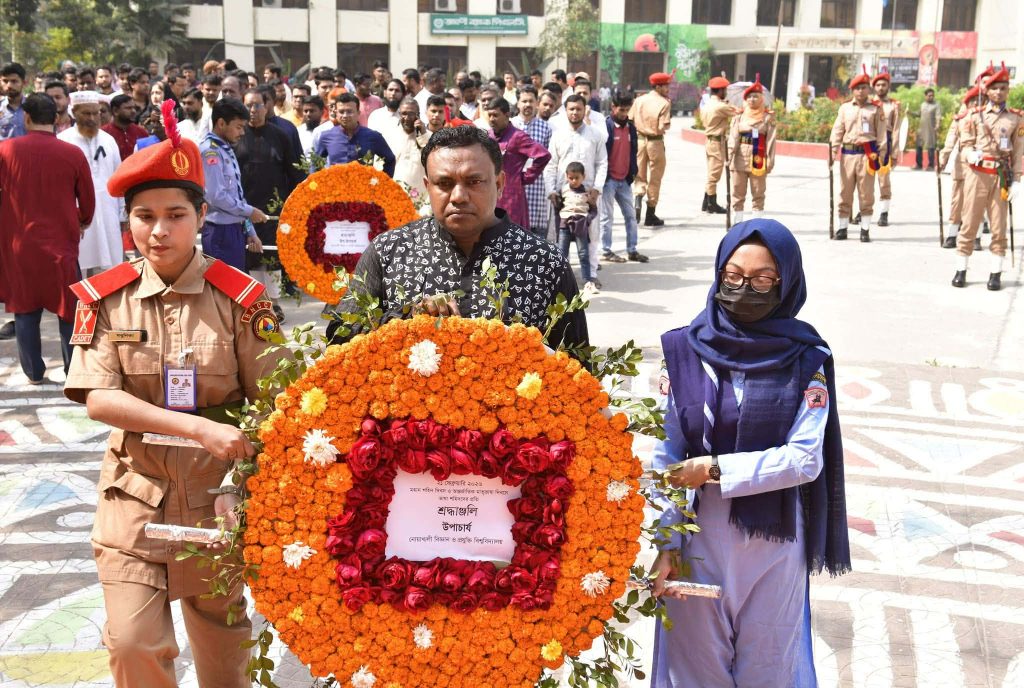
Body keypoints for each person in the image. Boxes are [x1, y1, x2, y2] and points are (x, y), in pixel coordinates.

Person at [63, 105, 277, 687]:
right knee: (132, 645)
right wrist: (198, 427)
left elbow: (277, 402)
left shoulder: (243, 300)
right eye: (144, 216)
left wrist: (245, 482)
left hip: (217, 500)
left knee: (224, 654)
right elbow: (99, 399)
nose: (159, 231)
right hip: (134, 494)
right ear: (127, 221)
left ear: (203, 216)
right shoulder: (105, 300)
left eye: (176, 215)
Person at [650, 218, 850, 688]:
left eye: (763, 280)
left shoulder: (807, 358)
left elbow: (804, 458)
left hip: (774, 546)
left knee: (771, 671)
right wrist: (665, 543)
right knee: (694, 669)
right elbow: (665, 453)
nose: (746, 289)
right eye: (734, 277)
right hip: (698, 540)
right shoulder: (683, 350)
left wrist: (715, 467)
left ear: (786, 282)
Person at [327, 125, 588, 354]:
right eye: (444, 183)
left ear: (499, 183)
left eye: (474, 181)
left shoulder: (543, 262)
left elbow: (577, 369)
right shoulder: (389, 251)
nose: (459, 196)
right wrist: (406, 317)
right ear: (428, 186)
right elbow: (339, 337)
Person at [0, 93, 95, 383]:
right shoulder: (72, 154)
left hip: (18, 245)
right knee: (69, 310)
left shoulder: (5, 151)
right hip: (61, 245)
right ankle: (72, 370)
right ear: (56, 118)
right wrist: (81, 222)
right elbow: (88, 201)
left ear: (26, 118)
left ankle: (33, 372)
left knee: (25, 309)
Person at [953, 63, 1022, 292]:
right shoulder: (974, 116)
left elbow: (1020, 152)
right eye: (995, 88)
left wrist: (1018, 179)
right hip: (978, 175)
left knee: (999, 226)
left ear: (1007, 91)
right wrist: (969, 153)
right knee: (970, 222)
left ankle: (995, 273)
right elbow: (964, 145)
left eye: (1003, 88)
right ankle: (961, 269)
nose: (999, 93)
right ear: (988, 91)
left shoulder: (1015, 119)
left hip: (1001, 176)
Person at [238, 88, 300, 321]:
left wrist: (295, 204)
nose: (252, 111)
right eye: (248, 105)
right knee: (251, 255)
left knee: (271, 256)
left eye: (257, 105)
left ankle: (274, 303)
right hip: (244, 204)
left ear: (267, 106)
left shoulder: (280, 134)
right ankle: (256, 302)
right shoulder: (238, 134)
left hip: (274, 206)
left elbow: (294, 171)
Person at [544, 95, 608, 292]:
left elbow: (602, 163)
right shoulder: (559, 135)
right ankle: (563, 278)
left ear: (584, 110)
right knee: (561, 238)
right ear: (566, 111)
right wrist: (552, 191)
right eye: (571, 109)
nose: (575, 112)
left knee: (590, 235)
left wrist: (597, 189)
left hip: (587, 195)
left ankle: (591, 276)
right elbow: (551, 165)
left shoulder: (595, 135)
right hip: (563, 196)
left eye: (578, 109)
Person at [58, 91, 124, 274]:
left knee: (109, 265)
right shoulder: (64, 141)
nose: (93, 118)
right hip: (77, 213)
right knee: (79, 263)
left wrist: (122, 213)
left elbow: (118, 177)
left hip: (108, 209)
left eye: (97, 113)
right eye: (87, 114)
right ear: (74, 113)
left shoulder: (108, 140)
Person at [201, 98, 268, 270]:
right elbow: (216, 196)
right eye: (238, 127)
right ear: (221, 123)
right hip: (219, 232)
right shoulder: (210, 151)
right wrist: (250, 211)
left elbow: (236, 195)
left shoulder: (225, 149)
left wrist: (249, 230)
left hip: (234, 229)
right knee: (222, 291)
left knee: (236, 292)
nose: (242, 132)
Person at [828, 66, 886, 242]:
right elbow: (837, 130)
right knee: (845, 192)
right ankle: (843, 228)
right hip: (848, 155)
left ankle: (865, 229)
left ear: (868, 89)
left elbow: (882, 134)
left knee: (866, 193)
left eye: (864, 87)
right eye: (857, 88)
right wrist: (832, 152)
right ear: (852, 90)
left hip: (868, 156)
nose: (861, 91)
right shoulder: (845, 108)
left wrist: (882, 156)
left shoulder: (876, 109)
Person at [486, 96, 551, 230]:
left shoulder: (518, 137)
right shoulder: (488, 136)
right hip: (490, 194)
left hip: (511, 197)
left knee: (511, 237)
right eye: (490, 115)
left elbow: (543, 155)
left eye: (496, 115)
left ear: (507, 115)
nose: (492, 119)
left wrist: (526, 177)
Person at [600, 93, 647, 263]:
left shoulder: (631, 128)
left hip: (624, 180)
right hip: (608, 181)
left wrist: (632, 173)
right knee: (607, 218)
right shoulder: (606, 127)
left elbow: (633, 152)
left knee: (631, 216)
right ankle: (606, 251)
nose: (624, 113)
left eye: (627, 110)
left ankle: (632, 250)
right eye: (621, 109)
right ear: (613, 107)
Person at [728, 75, 777, 223]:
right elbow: (733, 138)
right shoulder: (739, 117)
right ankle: (737, 223)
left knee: (758, 193)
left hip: (759, 157)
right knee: (737, 192)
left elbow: (771, 141)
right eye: (749, 97)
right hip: (740, 157)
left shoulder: (768, 118)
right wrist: (728, 157)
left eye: (755, 97)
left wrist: (770, 161)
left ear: (761, 98)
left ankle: (757, 223)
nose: (752, 100)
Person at [940, 86, 982, 250]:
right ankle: (952, 235)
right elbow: (951, 138)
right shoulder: (961, 118)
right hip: (962, 164)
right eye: (974, 101)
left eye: (981, 101)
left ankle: (976, 237)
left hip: (982, 166)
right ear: (968, 102)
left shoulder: (988, 120)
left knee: (978, 201)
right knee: (958, 201)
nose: (977, 104)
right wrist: (944, 156)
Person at [315, 93, 395, 176]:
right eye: (341, 112)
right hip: (335, 187)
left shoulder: (373, 137)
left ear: (358, 113)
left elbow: (390, 159)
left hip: (364, 187)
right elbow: (315, 164)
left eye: (349, 111)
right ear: (336, 113)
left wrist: (381, 183)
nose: (345, 116)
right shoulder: (326, 136)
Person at [631, 72, 675, 225]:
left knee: (639, 175)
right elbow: (664, 126)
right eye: (666, 86)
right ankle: (650, 213)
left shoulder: (639, 100)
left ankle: (637, 198)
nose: (668, 88)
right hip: (655, 142)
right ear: (658, 86)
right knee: (655, 178)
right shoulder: (664, 103)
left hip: (640, 140)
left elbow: (630, 119)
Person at [511, 85, 553, 240]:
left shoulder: (546, 128)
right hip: (514, 188)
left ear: (537, 103)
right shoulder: (510, 126)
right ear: (518, 103)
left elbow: (549, 158)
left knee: (537, 237)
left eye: (531, 101)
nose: (527, 104)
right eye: (524, 101)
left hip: (537, 188)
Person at [556, 161, 599, 291]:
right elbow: (557, 208)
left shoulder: (588, 192)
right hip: (565, 225)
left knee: (583, 253)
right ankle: (560, 282)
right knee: (562, 254)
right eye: (571, 178)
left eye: (577, 178)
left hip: (581, 225)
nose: (574, 181)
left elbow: (593, 210)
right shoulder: (563, 190)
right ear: (566, 176)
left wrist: (587, 220)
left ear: (583, 177)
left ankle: (587, 280)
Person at [870, 69, 902, 226]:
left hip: (886, 146)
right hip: (868, 145)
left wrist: (895, 152)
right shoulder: (868, 104)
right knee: (865, 182)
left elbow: (896, 129)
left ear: (888, 86)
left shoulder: (893, 106)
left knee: (884, 181)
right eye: (878, 85)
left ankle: (884, 212)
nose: (881, 87)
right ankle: (863, 210)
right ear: (873, 87)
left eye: (884, 85)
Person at [700, 74, 734, 215]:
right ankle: (711, 204)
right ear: (720, 91)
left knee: (711, 172)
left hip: (710, 140)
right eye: (725, 90)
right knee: (714, 174)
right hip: (716, 141)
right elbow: (738, 112)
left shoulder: (707, 104)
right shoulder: (720, 106)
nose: (726, 92)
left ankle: (706, 202)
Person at [383, 97, 428, 197]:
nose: (407, 118)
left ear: (418, 115)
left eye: (411, 114)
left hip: (421, 198)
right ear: (399, 114)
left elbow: (431, 159)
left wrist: (423, 134)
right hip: (394, 195)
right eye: (404, 113)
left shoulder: (428, 136)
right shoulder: (388, 135)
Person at [103, 94, 147, 160]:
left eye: (134, 108)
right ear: (115, 111)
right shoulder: (104, 134)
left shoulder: (141, 133)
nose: (133, 111)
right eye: (128, 108)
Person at [0, 62, 27, 141]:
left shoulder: (33, 108)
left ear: (24, 83)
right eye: (5, 81)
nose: (9, 86)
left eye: (14, 81)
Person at [916, 87, 940, 171]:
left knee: (931, 147)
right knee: (919, 146)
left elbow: (938, 116)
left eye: (932, 96)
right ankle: (919, 165)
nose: (931, 97)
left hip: (930, 129)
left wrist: (937, 125)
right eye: (929, 96)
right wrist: (909, 112)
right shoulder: (922, 104)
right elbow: (918, 114)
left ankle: (931, 165)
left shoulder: (936, 105)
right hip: (921, 129)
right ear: (925, 96)